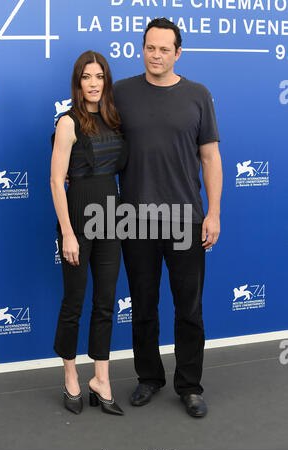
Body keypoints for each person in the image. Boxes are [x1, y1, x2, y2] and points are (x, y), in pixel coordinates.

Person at [113, 18, 223, 417]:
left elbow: (210, 158)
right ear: (141, 48)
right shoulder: (120, 93)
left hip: (186, 219)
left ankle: (189, 385)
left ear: (178, 53)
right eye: (149, 47)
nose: (155, 55)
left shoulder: (198, 95)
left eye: (164, 49)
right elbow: (95, 137)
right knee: (142, 305)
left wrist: (213, 213)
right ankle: (149, 377)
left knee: (188, 309)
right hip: (135, 219)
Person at [50, 50, 127, 416]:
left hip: (111, 215)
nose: (94, 83)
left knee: (106, 301)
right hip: (78, 213)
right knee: (74, 301)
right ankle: (70, 375)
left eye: (99, 77)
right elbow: (55, 179)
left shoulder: (115, 119)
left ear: (106, 81)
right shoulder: (68, 122)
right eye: (87, 77)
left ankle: (101, 378)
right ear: (77, 82)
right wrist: (67, 232)